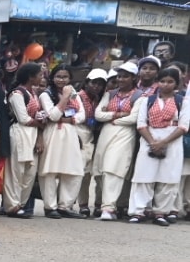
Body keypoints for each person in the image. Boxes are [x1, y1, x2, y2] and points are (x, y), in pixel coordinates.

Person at [126, 67, 188, 226]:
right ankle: (138, 211)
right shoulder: (148, 100)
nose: (166, 85)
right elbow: (141, 124)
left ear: (176, 83)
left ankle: (160, 212)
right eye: (162, 81)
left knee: (168, 178)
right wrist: (153, 142)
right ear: (157, 82)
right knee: (143, 176)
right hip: (149, 139)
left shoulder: (182, 101)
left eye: (170, 82)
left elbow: (183, 126)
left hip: (172, 141)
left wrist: (163, 142)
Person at [92, 63, 144, 221]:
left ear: (134, 78)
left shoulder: (139, 96)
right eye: (119, 76)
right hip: (106, 133)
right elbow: (98, 114)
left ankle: (109, 208)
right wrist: (118, 115)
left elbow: (134, 118)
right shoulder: (110, 94)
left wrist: (112, 117)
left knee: (114, 168)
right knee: (100, 170)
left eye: (125, 76)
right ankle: (104, 205)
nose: (121, 79)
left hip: (124, 134)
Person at [37, 67, 88, 218]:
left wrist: (69, 119)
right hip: (53, 134)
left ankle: (65, 206)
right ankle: (50, 206)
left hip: (71, 134)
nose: (61, 80)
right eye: (58, 76)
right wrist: (65, 97)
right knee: (50, 170)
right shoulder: (46, 95)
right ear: (52, 78)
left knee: (73, 171)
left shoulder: (76, 95)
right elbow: (53, 116)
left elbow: (82, 116)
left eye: (65, 77)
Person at [2, 62, 48, 217]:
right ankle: (12, 205)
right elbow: (23, 118)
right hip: (20, 133)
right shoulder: (17, 94)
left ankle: (21, 203)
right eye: (39, 74)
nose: (42, 77)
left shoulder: (34, 93)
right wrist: (40, 125)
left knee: (29, 172)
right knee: (16, 170)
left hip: (32, 134)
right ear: (31, 77)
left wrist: (39, 131)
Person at [76, 69, 109, 216]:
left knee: (95, 171)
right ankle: (82, 204)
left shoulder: (100, 98)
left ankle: (97, 204)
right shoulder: (78, 97)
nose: (96, 86)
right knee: (82, 171)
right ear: (87, 82)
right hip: (81, 132)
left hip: (96, 135)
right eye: (94, 83)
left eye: (100, 84)